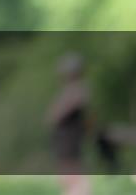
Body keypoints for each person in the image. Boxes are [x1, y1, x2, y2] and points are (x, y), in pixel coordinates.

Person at [46, 53, 91, 195]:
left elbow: (56, 114)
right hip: (64, 140)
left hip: (70, 140)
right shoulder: (71, 90)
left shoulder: (77, 89)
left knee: (73, 178)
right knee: (67, 178)